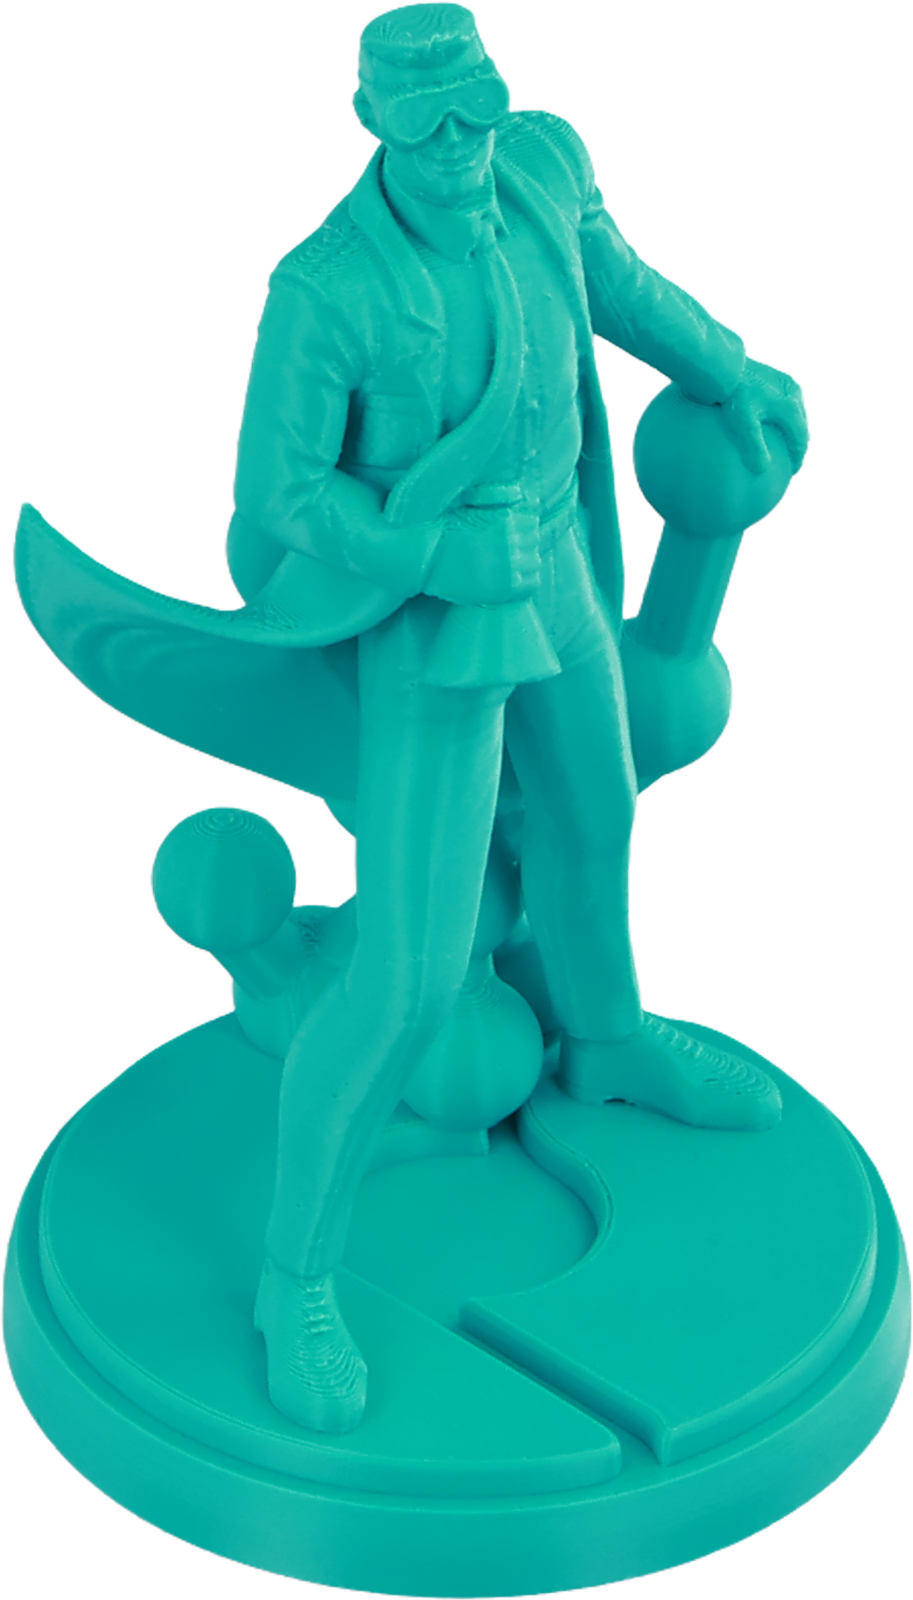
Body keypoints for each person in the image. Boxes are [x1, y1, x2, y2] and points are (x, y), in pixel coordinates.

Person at [234, 2, 810, 1433]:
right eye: (426, 123)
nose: (460, 145)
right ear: (373, 124)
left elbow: (622, 287)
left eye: (476, 107)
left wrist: (731, 366)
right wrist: (427, 552)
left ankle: (606, 1042)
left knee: (597, 811)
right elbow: (279, 497)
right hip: (432, 623)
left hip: (552, 566)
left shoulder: (543, 167)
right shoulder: (325, 288)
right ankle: (294, 1277)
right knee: (414, 973)